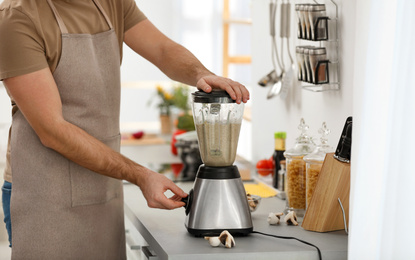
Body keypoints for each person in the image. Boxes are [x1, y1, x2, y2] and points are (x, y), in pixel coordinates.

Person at [0, 0, 249, 258]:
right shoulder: (16, 17)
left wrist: (202, 75)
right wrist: (140, 175)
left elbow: (162, 49)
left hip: (102, 183)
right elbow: (52, 130)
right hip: (44, 193)